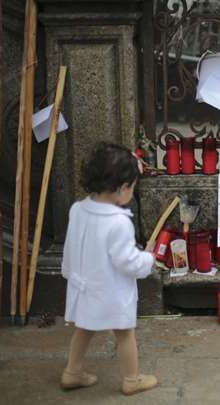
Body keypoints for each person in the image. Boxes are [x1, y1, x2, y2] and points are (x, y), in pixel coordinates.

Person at [60, 143, 157, 396]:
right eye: (132, 187)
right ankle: (132, 379)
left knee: (84, 328)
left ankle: (72, 372)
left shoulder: (78, 209)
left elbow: (71, 246)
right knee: (125, 333)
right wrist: (147, 260)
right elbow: (126, 261)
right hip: (110, 290)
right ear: (122, 188)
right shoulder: (118, 223)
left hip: (84, 285)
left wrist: (69, 273)